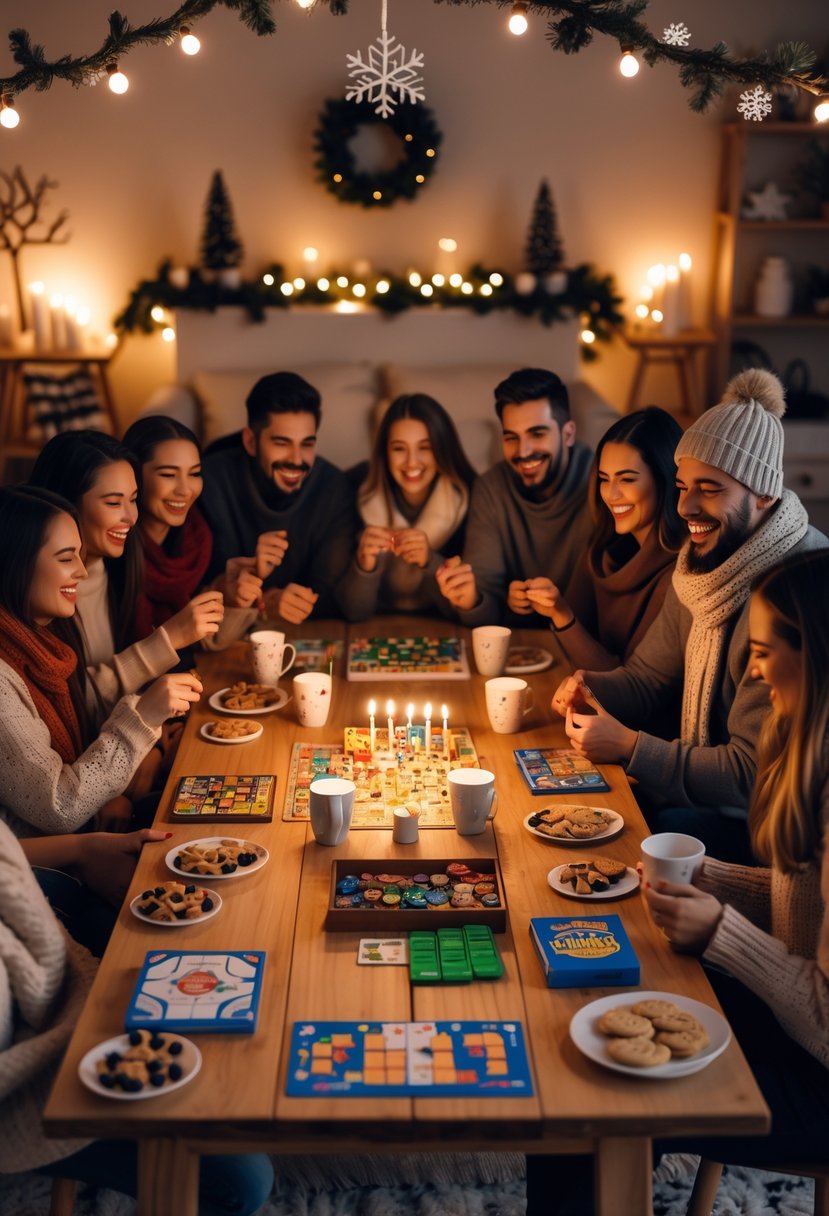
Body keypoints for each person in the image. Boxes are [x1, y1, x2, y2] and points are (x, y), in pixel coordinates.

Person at [552, 369, 828, 862]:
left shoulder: (795, 592)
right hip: (718, 799)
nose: (686, 507)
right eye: (681, 486)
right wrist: (589, 685)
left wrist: (632, 747)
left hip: (776, 824)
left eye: (709, 488)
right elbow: (646, 677)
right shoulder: (703, 562)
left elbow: (751, 771)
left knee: (628, 835)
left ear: (763, 493)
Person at [645, 548, 829, 1166]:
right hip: (794, 1031)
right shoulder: (813, 750)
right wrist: (713, 879)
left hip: (818, 1080)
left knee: (590, 1099)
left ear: (817, 654)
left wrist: (723, 934)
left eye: (763, 650)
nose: (751, 675)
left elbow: (826, 1024)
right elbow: (808, 911)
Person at [0, 821, 274, 1214]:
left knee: (223, 952)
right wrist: (101, 1020)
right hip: (29, 1089)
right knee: (242, 1180)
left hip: (67, 967)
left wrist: (83, 847)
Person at [0, 484, 202, 841]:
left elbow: (83, 703)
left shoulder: (35, 638)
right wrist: (143, 718)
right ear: (15, 563)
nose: (82, 571)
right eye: (66, 558)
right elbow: (59, 806)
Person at [28, 430, 223, 706]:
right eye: (112, 502)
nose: (131, 518)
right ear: (65, 503)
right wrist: (167, 639)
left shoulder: (118, 565)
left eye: (133, 499)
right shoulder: (41, 588)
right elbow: (69, 705)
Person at [516, 407, 684, 670]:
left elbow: (629, 684)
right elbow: (569, 641)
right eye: (604, 479)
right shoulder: (602, 549)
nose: (611, 495)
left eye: (627, 479)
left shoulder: (676, 578)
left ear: (664, 480)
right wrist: (541, 602)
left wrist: (561, 614)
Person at [436, 367, 593, 627]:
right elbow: (484, 607)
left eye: (537, 434)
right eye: (511, 438)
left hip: (586, 646)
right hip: (516, 643)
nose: (523, 451)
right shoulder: (490, 489)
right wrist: (474, 600)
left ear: (568, 434)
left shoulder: (603, 485)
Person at [199, 371, 358, 624]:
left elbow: (329, 595)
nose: (296, 459)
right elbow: (201, 587)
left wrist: (280, 601)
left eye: (306, 444)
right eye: (282, 443)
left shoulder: (334, 489)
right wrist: (264, 599)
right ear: (251, 442)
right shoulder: (210, 482)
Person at [338, 393, 476, 620]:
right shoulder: (354, 490)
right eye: (399, 448)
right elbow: (353, 611)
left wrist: (430, 562)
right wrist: (364, 567)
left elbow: (461, 612)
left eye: (425, 447)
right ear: (384, 453)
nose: (412, 462)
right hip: (371, 632)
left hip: (440, 631)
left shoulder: (470, 499)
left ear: (443, 448)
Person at [122, 414, 249, 649]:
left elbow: (204, 640)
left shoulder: (197, 538)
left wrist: (230, 597)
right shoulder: (115, 548)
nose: (185, 490)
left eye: (194, 474)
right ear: (133, 475)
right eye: (169, 475)